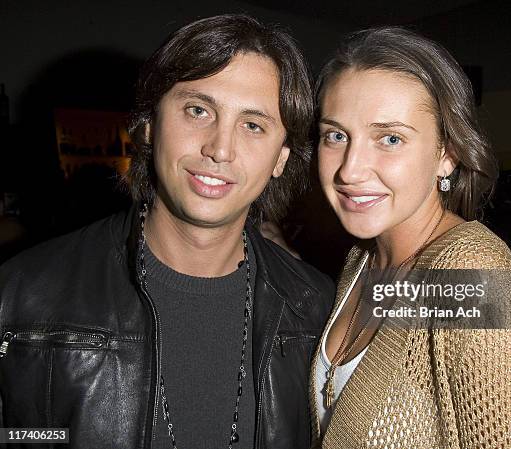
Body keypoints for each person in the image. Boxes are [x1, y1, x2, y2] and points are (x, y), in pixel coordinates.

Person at [0, 15, 334, 449]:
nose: (219, 148)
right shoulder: (21, 295)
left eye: (253, 125)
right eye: (198, 110)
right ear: (149, 126)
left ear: (281, 159)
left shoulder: (319, 314)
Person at [309, 27, 511, 448]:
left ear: (447, 155)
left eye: (390, 138)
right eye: (336, 135)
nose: (350, 169)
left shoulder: (475, 276)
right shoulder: (360, 259)